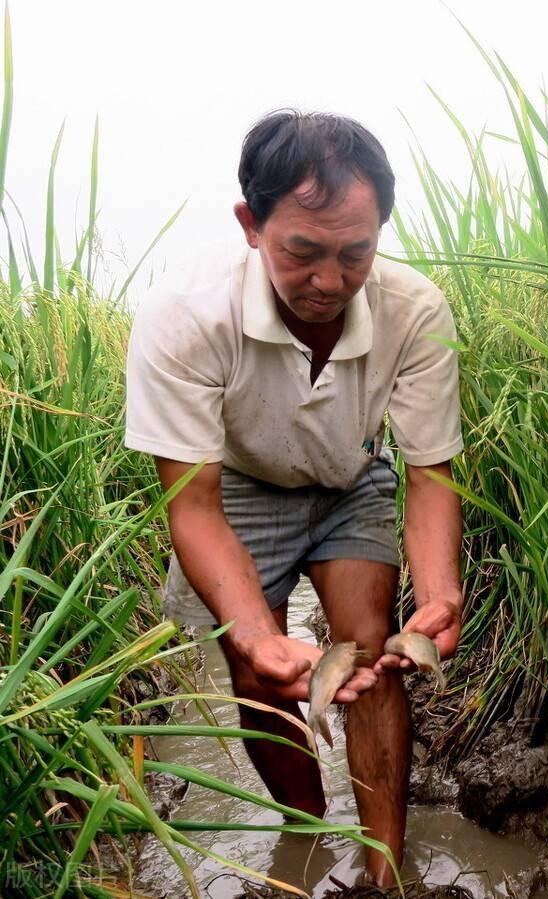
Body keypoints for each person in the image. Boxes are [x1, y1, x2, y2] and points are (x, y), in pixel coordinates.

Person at [123, 109, 465, 888]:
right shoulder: (185, 316)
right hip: (237, 485)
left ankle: (383, 871)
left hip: (351, 476)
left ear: (382, 226)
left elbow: (430, 472)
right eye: (301, 252)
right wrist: (255, 636)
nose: (329, 281)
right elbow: (193, 503)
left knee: (373, 650)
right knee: (261, 670)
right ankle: (305, 839)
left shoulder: (414, 309)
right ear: (251, 224)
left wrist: (441, 591)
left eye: (356, 253)